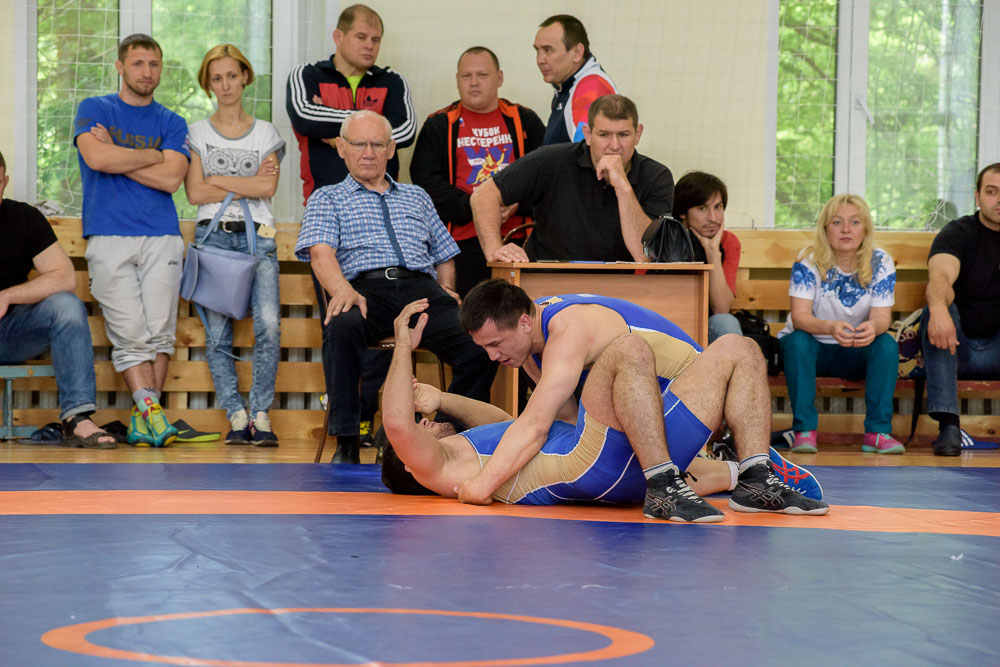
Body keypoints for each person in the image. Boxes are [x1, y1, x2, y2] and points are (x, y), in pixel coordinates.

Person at [380, 299, 824, 517]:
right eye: (421, 428)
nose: (424, 421)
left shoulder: (474, 449)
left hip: (629, 458)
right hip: (590, 460)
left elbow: (505, 422)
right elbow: (399, 424)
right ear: (409, 462)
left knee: (738, 348)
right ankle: (666, 484)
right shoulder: (437, 468)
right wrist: (403, 346)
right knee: (625, 349)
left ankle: (753, 477)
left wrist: (444, 399)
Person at [294, 110, 496, 464]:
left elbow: (444, 253)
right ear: (341, 148)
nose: (368, 152)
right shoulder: (327, 198)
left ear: (390, 149)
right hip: (364, 290)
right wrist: (342, 290)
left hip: (421, 290)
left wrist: (447, 286)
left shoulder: (416, 196)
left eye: (377, 144)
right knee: (342, 325)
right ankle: (347, 440)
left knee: (480, 342)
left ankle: (446, 430)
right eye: (359, 144)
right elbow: (320, 253)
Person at [74, 33, 189, 447]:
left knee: (160, 335)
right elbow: (97, 158)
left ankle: (146, 422)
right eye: (138, 63)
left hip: (162, 236)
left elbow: (172, 178)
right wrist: (153, 155)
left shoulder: (173, 122)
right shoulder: (94, 109)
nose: (147, 72)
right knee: (130, 335)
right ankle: (154, 417)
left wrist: (119, 154)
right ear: (120, 67)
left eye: (154, 64)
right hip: (108, 236)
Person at [184, 44, 285, 447]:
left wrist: (217, 180)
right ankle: (236, 415)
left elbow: (268, 187)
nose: (225, 84)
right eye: (216, 78)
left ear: (244, 76)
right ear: (208, 85)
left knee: (269, 326)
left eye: (231, 75)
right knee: (217, 335)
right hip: (213, 237)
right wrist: (246, 183)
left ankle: (260, 414)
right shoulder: (197, 132)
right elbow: (194, 192)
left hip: (258, 237)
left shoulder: (266, 133)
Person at [0, 151, 116, 449]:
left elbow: (64, 276)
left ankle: (77, 419)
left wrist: (7, 295)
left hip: (10, 333)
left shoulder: (24, 218)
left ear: (5, 182)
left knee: (66, 304)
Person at [471, 94, 673, 264]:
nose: (614, 145)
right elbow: (483, 196)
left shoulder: (657, 176)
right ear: (588, 134)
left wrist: (623, 186)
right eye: (604, 135)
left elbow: (643, 256)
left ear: (637, 134)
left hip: (617, 285)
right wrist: (495, 251)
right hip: (547, 281)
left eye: (623, 135)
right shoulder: (551, 160)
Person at [410, 46, 546, 297]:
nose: (474, 82)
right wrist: (478, 207)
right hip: (460, 242)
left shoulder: (524, 120)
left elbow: (546, 176)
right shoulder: (439, 124)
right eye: (466, 76)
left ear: (499, 78)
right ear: (457, 80)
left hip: (520, 237)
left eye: (482, 75)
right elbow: (426, 181)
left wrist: (516, 204)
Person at [777, 194, 901, 454]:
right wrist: (831, 328)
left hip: (857, 349)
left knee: (887, 344)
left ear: (865, 228)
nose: (846, 229)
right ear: (825, 229)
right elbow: (800, 317)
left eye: (855, 222)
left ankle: (877, 433)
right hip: (815, 349)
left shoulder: (881, 261)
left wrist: (873, 328)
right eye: (837, 222)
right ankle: (804, 431)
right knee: (796, 342)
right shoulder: (808, 259)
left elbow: (882, 318)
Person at [285, 3, 415, 204]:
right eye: (361, 37)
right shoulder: (308, 74)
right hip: (324, 202)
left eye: (376, 40)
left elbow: (405, 132)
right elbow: (305, 117)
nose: (370, 45)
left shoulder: (392, 81)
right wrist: (377, 126)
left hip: (382, 203)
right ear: (338, 37)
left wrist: (337, 133)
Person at [921, 162, 1000, 456]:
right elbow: (940, 275)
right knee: (937, 308)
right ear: (977, 196)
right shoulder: (958, 232)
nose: (999, 200)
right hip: (956, 347)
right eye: (991, 192)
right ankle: (949, 427)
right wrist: (939, 310)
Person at [673, 171, 743, 342]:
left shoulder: (728, 241)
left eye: (718, 207)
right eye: (702, 208)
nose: (713, 218)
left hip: (706, 327)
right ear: (683, 212)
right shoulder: (666, 239)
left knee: (726, 322)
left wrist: (712, 252)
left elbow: (721, 309)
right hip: (668, 322)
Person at [533, 15, 617, 145]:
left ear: (577, 53)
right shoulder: (567, 85)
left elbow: (586, 151)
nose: (540, 60)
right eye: (537, 51)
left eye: (548, 50)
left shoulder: (590, 88)